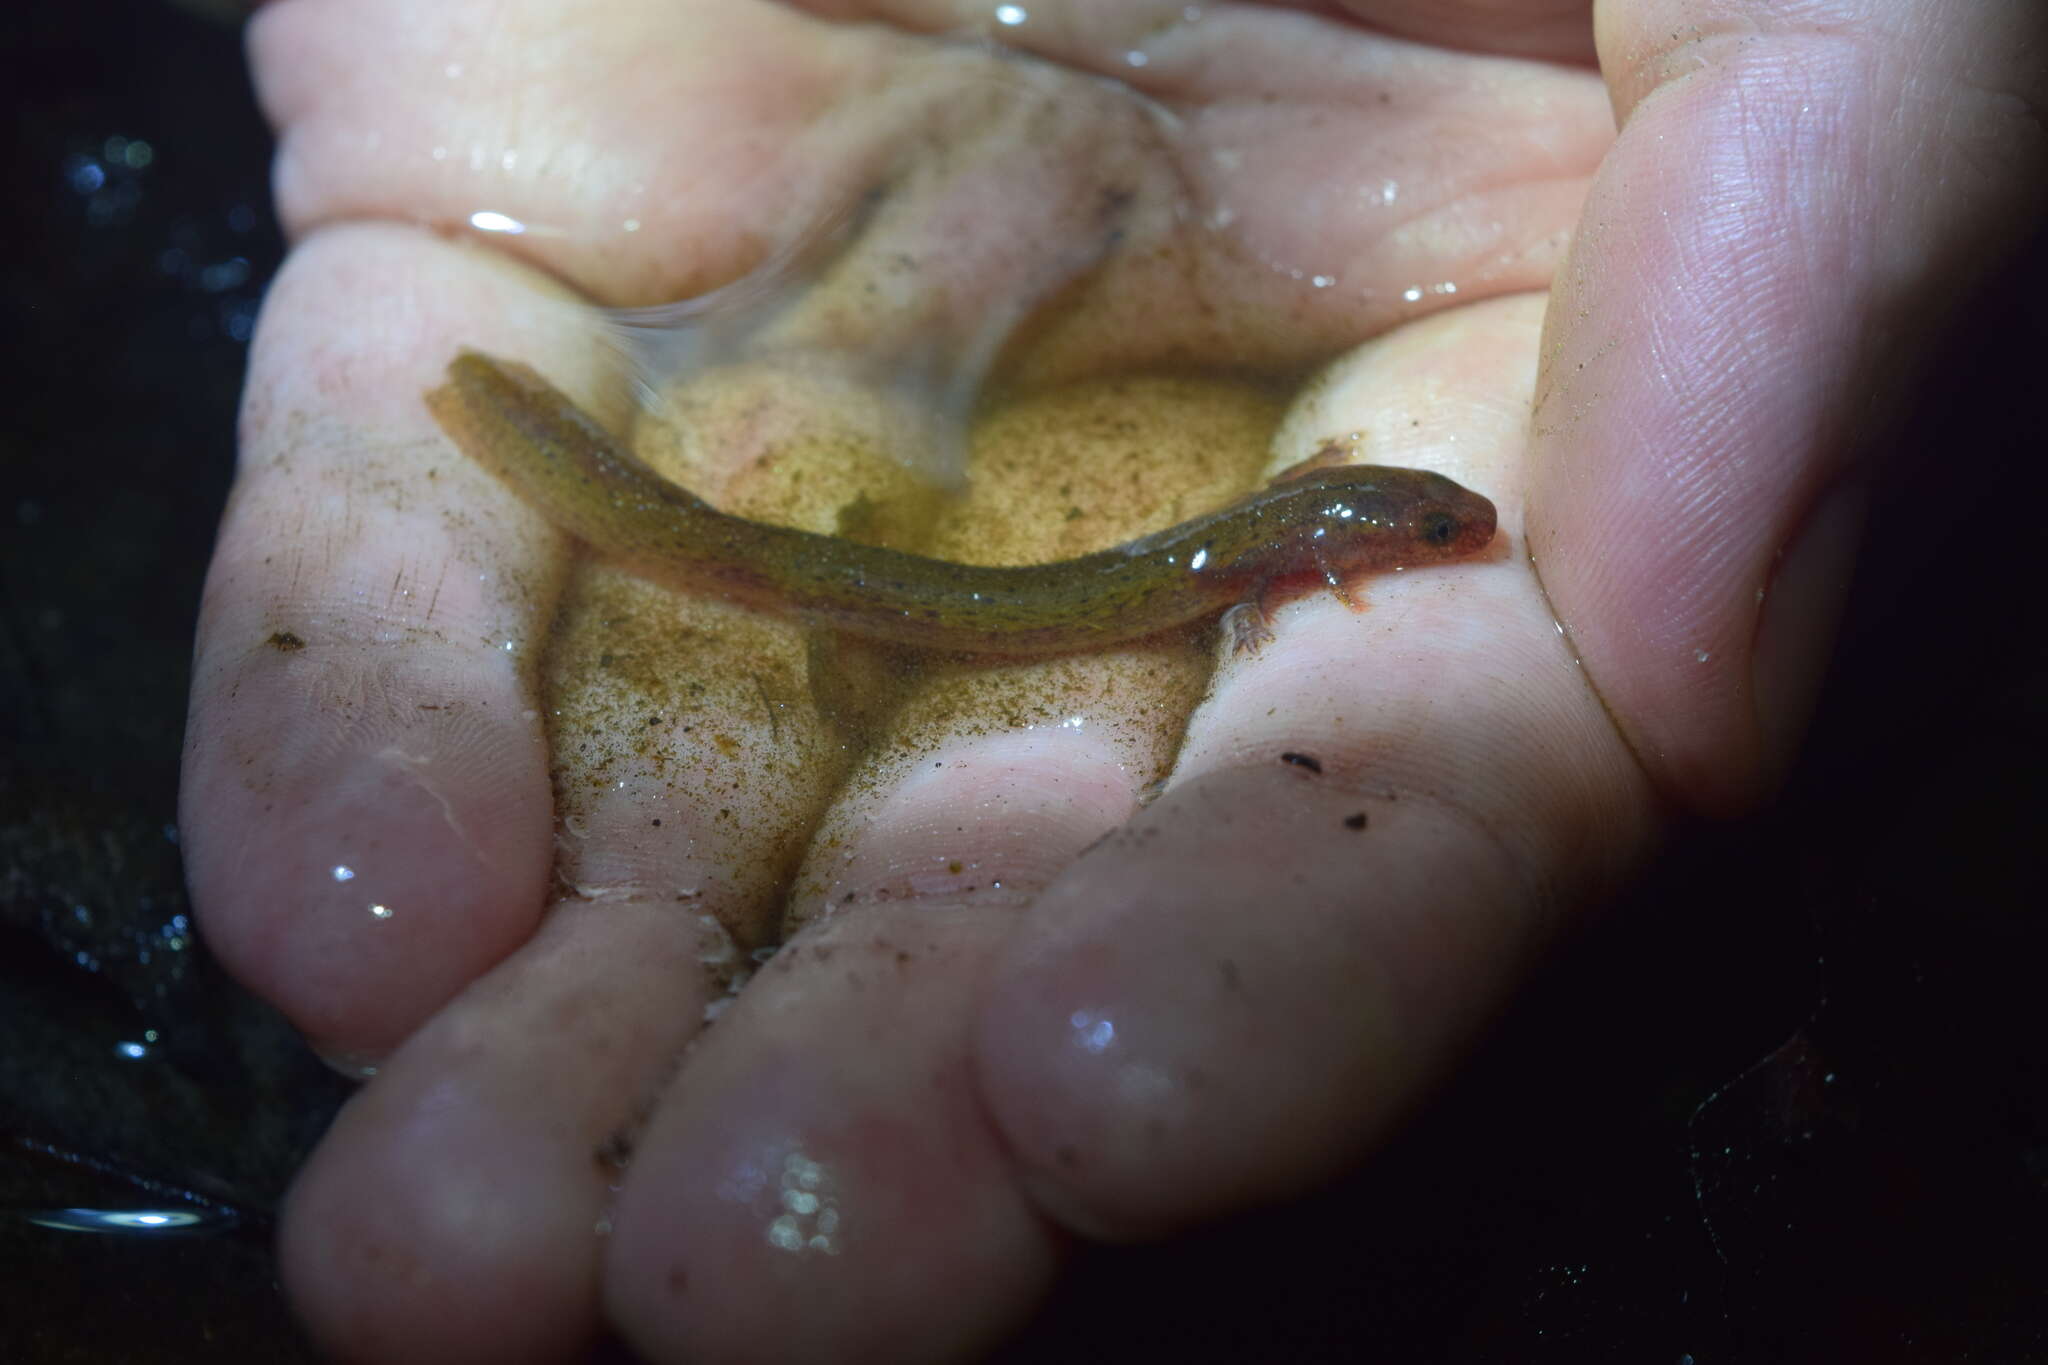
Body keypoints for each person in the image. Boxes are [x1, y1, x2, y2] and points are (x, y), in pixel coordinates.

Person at [179, 0, 2046, 1359]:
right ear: (1350, 533)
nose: (1434, 541)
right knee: (791, 575)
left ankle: (538, 449)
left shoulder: (1297, 540)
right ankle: (505, 430)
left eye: (1425, 533)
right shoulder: (1294, 537)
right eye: (1421, 533)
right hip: (943, 582)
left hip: (1022, 570)